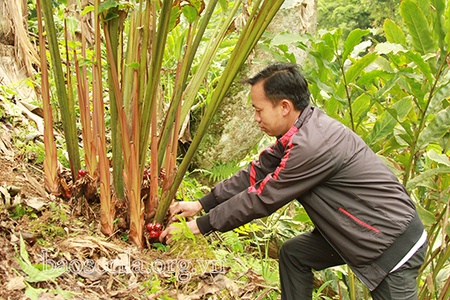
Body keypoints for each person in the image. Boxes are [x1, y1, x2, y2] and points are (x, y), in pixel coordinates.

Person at [159, 63, 427, 299]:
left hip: (390, 242)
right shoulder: (300, 132)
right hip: (353, 231)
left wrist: (198, 227)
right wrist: (201, 203)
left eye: (259, 110)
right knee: (295, 254)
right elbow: (258, 171)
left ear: (284, 106)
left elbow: (263, 197)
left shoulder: (313, 144)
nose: (256, 118)